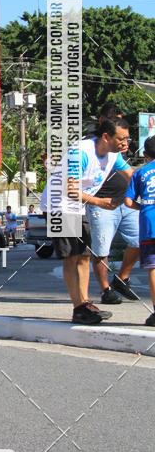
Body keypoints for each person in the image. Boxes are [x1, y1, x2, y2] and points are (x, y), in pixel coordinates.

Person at [47, 118, 132, 324]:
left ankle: (85, 303)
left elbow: (130, 174)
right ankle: (78, 309)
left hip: (78, 206)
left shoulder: (113, 155)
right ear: (106, 137)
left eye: (127, 138)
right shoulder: (81, 152)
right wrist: (100, 202)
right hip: (59, 205)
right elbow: (71, 189)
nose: (125, 143)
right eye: (121, 138)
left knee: (84, 256)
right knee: (72, 257)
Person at [85, 105, 140, 305]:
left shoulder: (120, 146)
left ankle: (121, 278)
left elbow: (130, 172)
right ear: (102, 123)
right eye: (112, 119)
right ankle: (105, 290)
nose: (118, 124)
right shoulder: (91, 142)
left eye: (119, 119)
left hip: (125, 199)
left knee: (140, 239)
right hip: (102, 202)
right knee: (101, 249)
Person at [124, 136, 155, 326]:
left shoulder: (140, 173)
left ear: (144, 155)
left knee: (153, 268)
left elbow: (128, 201)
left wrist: (142, 207)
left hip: (149, 225)